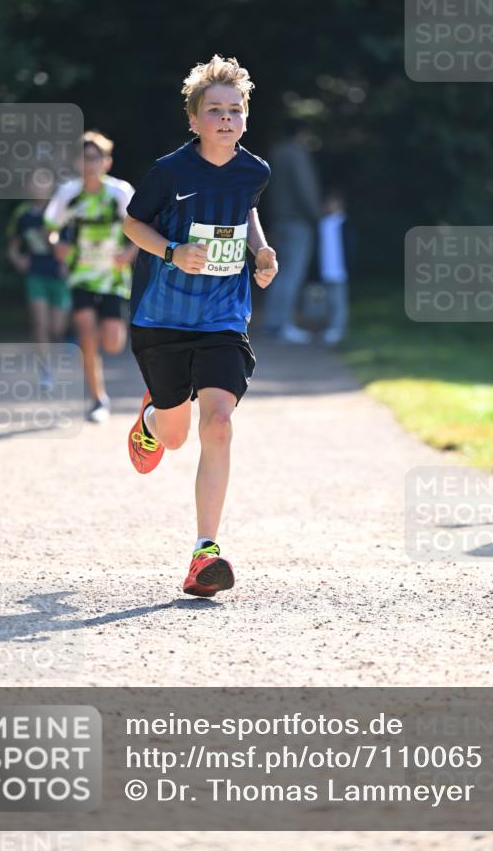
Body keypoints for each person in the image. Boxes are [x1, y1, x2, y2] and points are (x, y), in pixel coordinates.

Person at [123, 54, 277, 598]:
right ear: (194, 119)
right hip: (162, 317)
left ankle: (204, 551)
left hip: (223, 317)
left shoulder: (255, 171)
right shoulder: (170, 171)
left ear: (246, 118)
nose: (226, 118)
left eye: (235, 110)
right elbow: (132, 223)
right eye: (214, 110)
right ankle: (151, 419)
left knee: (219, 424)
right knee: (175, 435)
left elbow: (246, 210)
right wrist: (171, 251)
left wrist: (261, 252)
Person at [44, 131, 137, 422]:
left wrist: (129, 253)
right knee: (86, 334)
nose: (90, 163)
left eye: (96, 158)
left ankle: (99, 335)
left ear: (107, 162)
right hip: (80, 275)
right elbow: (50, 229)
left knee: (112, 343)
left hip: (113, 277)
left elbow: (141, 227)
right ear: (77, 162)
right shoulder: (68, 194)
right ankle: (98, 399)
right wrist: (57, 245)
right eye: (85, 158)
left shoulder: (120, 192)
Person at [6, 168, 71, 387]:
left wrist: (68, 263)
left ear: (52, 186)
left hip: (59, 276)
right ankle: (45, 369)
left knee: (56, 328)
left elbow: (74, 244)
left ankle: (66, 340)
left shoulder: (61, 212)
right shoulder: (22, 214)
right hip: (36, 274)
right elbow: (13, 247)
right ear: (28, 186)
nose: (39, 186)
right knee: (39, 322)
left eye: (44, 182)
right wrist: (19, 260)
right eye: (35, 182)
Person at [262, 119, 322, 343]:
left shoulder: (276, 154)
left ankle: (273, 323)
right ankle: (283, 325)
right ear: (302, 133)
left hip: (279, 220)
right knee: (292, 275)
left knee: (278, 273)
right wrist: (317, 216)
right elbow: (305, 189)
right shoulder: (297, 154)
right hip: (298, 221)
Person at [318, 189, 353, 345]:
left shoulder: (344, 223)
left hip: (340, 269)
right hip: (326, 268)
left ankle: (338, 328)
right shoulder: (323, 223)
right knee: (328, 301)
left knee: (339, 301)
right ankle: (330, 327)